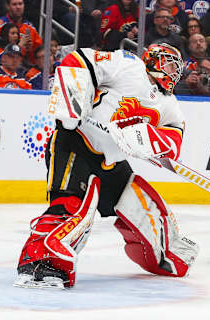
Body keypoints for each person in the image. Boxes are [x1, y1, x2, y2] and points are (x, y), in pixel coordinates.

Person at [13, 43, 199, 289]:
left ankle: (164, 254)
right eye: (169, 64)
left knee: (142, 208)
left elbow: (172, 143)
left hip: (112, 161)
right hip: (77, 143)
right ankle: (39, 263)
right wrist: (72, 105)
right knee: (70, 207)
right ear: (153, 59)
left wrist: (148, 140)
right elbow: (82, 60)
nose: (174, 72)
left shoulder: (170, 104)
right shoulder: (130, 65)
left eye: (177, 68)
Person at [0, 0, 43, 65]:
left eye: (20, 4)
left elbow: (38, 53)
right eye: (14, 4)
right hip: (1, 67)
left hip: (25, 68)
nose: (18, 7)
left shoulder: (30, 27)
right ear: (8, 6)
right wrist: (19, 47)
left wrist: (31, 49)